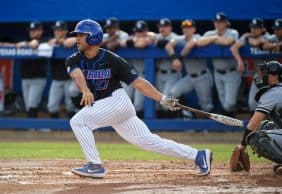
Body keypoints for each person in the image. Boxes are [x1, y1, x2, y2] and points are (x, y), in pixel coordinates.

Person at [65, 19, 212, 178]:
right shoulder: (74, 58)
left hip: (117, 102)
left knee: (78, 121)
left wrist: (162, 98)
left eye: (81, 35)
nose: (77, 39)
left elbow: (139, 83)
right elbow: (76, 74)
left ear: (93, 37)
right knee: (149, 142)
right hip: (108, 107)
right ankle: (198, 155)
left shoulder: (112, 59)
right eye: (77, 35)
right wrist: (85, 90)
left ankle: (95, 165)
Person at [236, 61, 282, 175]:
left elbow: (254, 122)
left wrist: (242, 145)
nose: (260, 77)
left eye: (266, 74)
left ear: (275, 77)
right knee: (265, 125)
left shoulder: (272, 92)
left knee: (256, 137)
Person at [183, 13, 239, 115]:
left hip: (231, 71)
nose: (218, 24)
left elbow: (227, 42)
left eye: (220, 22)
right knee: (223, 102)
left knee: (229, 103)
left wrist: (213, 40)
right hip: (217, 73)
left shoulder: (232, 32)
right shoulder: (210, 33)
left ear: (226, 22)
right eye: (216, 21)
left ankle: (233, 122)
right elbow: (199, 42)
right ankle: (227, 128)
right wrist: (215, 38)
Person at [165, 19, 214, 113]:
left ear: (194, 29)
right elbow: (168, 45)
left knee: (206, 105)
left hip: (202, 77)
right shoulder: (180, 39)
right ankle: (186, 113)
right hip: (189, 77)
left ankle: (206, 126)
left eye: (189, 27)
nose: (186, 30)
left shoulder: (198, 37)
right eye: (184, 28)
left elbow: (190, 45)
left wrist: (179, 59)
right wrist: (174, 58)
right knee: (173, 92)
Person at [231, 18, 268, 112]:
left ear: (262, 29)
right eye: (252, 28)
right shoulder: (248, 37)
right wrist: (239, 61)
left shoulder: (269, 37)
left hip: (271, 75)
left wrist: (247, 38)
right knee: (252, 103)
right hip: (259, 74)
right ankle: (256, 126)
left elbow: (256, 42)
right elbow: (233, 48)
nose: (253, 30)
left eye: (256, 28)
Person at [120, 20, 156, 117]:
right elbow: (121, 43)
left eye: (141, 31)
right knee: (125, 98)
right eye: (137, 31)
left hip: (147, 75)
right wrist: (133, 40)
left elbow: (142, 44)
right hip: (134, 74)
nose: (138, 33)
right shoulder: (133, 38)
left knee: (138, 104)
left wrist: (133, 42)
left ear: (146, 31)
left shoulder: (150, 37)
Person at [16, 21, 47, 118]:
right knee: (28, 106)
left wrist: (24, 44)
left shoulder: (45, 41)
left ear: (40, 31)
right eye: (31, 30)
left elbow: (35, 44)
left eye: (35, 30)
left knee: (32, 103)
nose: (32, 32)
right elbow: (17, 46)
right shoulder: (25, 41)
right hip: (25, 78)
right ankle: (33, 127)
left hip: (38, 78)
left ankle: (33, 128)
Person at [47, 20, 76, 118]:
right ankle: (55, 128)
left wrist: (59, 40)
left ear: (65, 31)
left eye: (60, 30)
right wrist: (54, 41)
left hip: (69, 78)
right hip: (56, 79)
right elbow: (46, 43)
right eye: (56, 30)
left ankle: (71, 127)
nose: (57, 32)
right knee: (52, 106)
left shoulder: (71, 40)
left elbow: (71, 42)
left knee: (70, 106)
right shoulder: (51, 42)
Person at [154, 18, 180, 112]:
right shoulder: (157, 36)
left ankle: (182, 113)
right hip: (160, 74)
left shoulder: (175, 37)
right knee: (158, 103)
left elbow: (170, 44)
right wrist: (156, 41)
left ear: (170, 27)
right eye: (160, 26)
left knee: (166, 103)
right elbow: (149, 36)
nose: (162, 28)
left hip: (172, 74)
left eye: (165, 26)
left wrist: (174, 58)